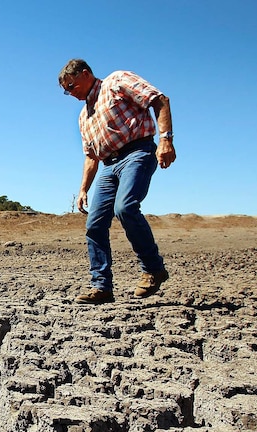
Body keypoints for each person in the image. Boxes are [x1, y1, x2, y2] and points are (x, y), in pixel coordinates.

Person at [58, 59, 176, 304]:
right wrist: (82, 190)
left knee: (125, 208)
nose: (70, 93)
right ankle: (101, 287)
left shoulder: (117, 81)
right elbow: (91, 156)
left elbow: (159, 100)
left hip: (137, 152)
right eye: (66, 91)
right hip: (108, 165)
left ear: (85, 73)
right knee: (95, 224)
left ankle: (153, 268)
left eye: (71, 86)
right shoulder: (84, 116)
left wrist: (166, 140)